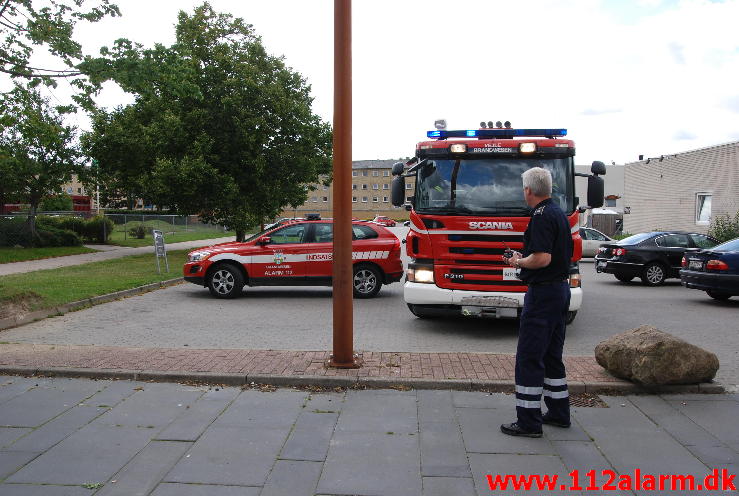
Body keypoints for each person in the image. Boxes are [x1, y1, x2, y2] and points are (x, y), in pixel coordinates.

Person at [501, 167, 573, 438]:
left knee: (529, 358)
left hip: (542, 294)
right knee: (552, 356)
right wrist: (525, 256)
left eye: (524, 189)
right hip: (559, 291)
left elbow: (542, 259)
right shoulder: (558, 213)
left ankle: (529, 422)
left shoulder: (541, 216)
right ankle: (558, 413)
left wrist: (518, 261)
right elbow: (547, 254)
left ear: (528, 190)